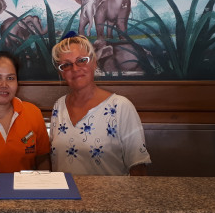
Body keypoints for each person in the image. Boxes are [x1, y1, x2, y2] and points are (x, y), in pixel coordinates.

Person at [49, 35, 150, 175]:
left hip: (111, 190)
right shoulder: (59, 106)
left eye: (81, 60)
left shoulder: (120, 107)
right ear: (61, 73)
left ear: (94, 63)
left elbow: (138, 166)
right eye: (66, 65)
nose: (75, 68)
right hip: (65, 190)